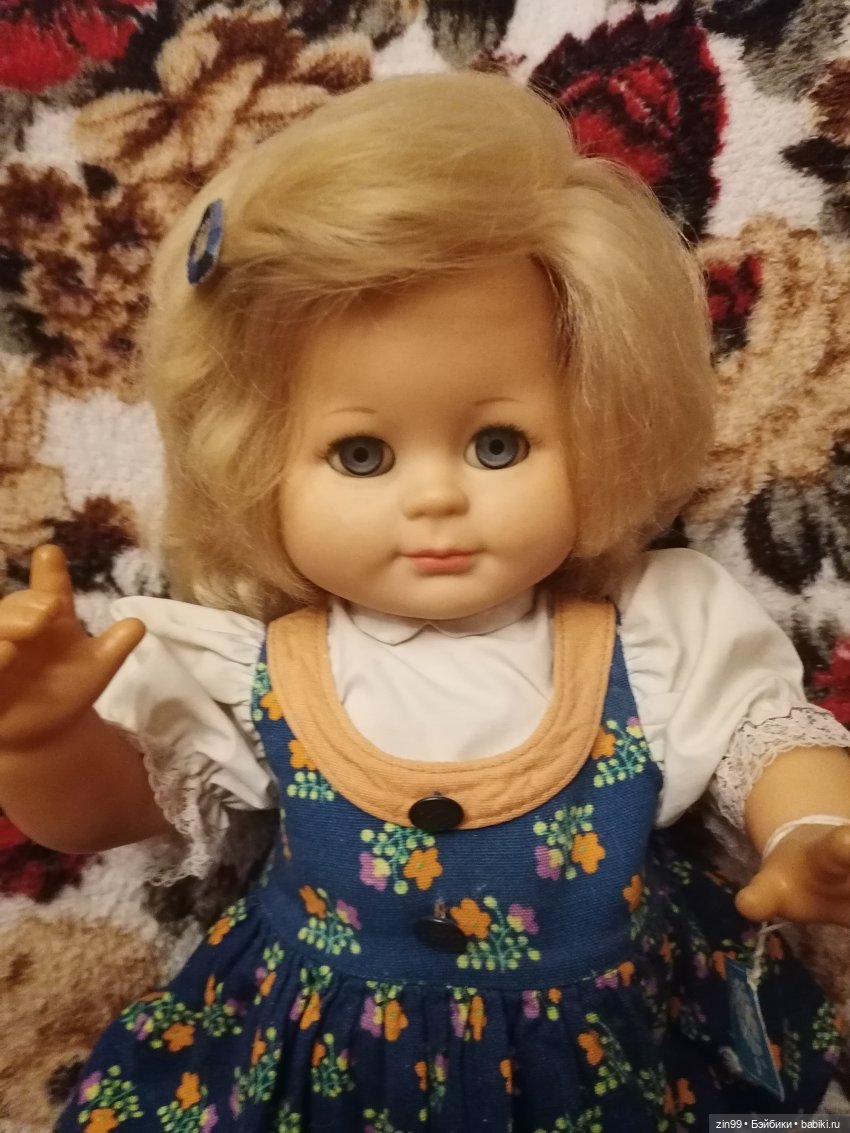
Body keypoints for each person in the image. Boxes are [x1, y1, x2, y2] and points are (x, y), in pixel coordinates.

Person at [2, 72, 850, 1132]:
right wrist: (43, 733)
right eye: (361, 453)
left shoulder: (654, 631)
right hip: (320, 1059)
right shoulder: (256, 667)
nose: (437, 496)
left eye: (498, 443)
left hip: (606, 1050)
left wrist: (812, 823)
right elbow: (111, 811)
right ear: (256, 465)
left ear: (600, 422)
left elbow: (764, 738)